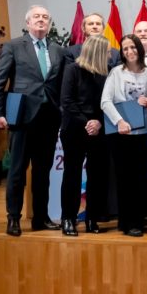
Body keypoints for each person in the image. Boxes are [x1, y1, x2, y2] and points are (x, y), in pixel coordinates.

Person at [0, 5, 66, 236]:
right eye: (37, 17)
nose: (41, 20)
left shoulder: (57, 50)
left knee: (43, 171)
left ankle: (40, 218)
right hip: (22, 118)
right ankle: (13, 218)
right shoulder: (14, 46)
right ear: (28, 23)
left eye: (45, 17)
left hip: (49, 118)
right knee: (17, 170)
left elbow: (60, 83)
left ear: (49, 24)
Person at [58, 36, 111, 236]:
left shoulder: (106, 75)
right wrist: (87, 122)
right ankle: (68, 218)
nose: (109, 55)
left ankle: (92, 218)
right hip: (74, 128)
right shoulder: (72, 70)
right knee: (72, 174)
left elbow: (107, 102)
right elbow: (67, 101)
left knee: (97, 175)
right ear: (97, 52)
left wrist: (97, 122)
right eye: (106, 52)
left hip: (98, 129)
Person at [101, 34, 147, 237]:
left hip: (142, 134)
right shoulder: (116, 73)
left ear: (140, 49)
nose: (130, 51)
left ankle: (136, 221)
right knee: (124, 179)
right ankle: (127, 221)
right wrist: (119, 121)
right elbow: (105, 102)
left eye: (133, 47)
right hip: (120, 134)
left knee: (140, 179)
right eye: (125, 49)